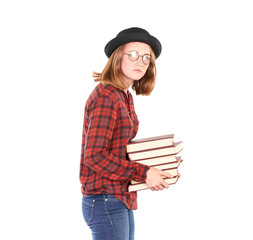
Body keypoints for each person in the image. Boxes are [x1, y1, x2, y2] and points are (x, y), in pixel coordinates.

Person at [80, 27, 173, 240]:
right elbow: (94, 156)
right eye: (132, 54)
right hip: (105, 199)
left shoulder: (123, 95)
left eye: (146, 58)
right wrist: (144, 173)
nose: (140, 61)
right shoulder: (107, 97)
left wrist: (163, 162)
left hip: (118, 196)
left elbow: (118, 149)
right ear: (117, 57)